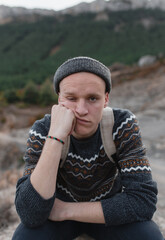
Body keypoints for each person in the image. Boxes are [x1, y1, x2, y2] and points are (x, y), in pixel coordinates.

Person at [12, 56, 164, 240]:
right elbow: (29, 213)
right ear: (59, 99)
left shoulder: (121, 124)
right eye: (71, 98)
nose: (81, 109)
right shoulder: (43, 130)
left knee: (148, 236)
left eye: (92, 98)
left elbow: (143, 201)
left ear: (106, 99)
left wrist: (66, 210)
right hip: (57, 222)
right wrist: (55, 137)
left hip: (104, 215)